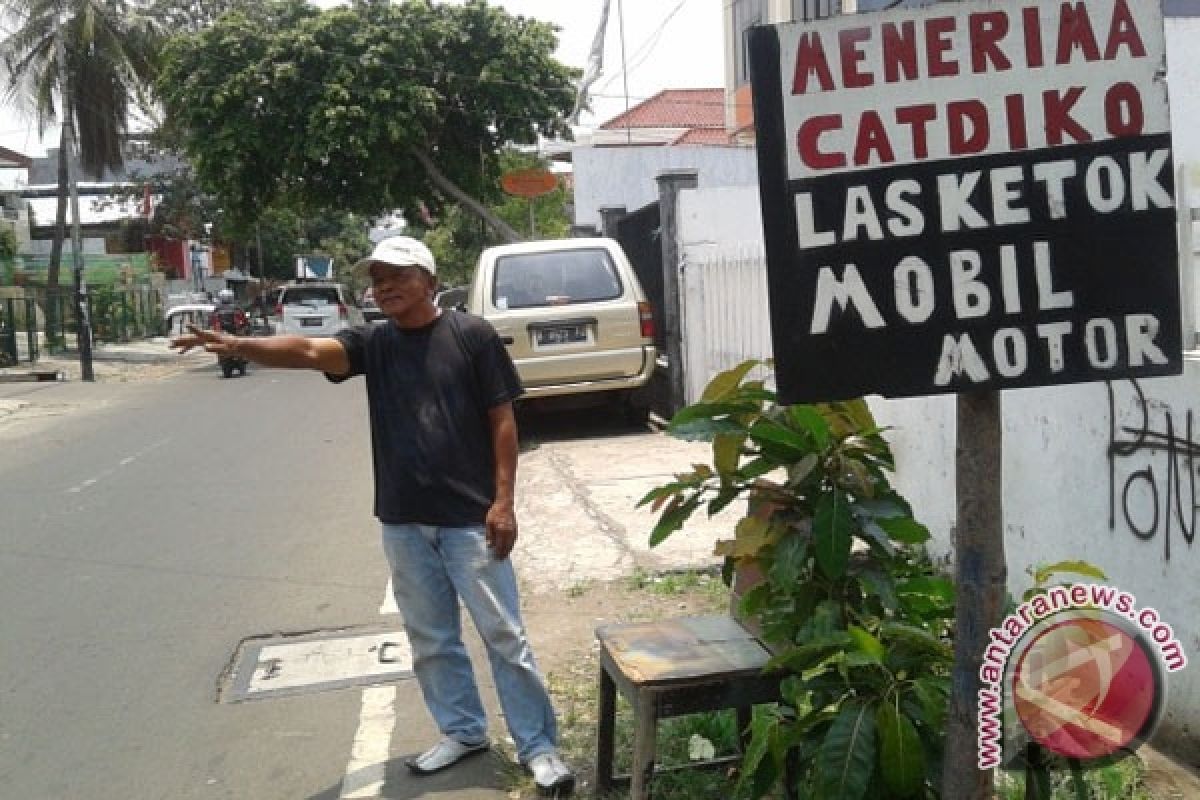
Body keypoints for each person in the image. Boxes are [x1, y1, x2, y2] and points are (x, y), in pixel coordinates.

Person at [170, 236, 575, 796]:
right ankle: (463, 732)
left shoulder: (471, 335)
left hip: (469, 521)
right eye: (377, 278)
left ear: (429, 281)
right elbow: (309, 353)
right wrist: (239, 343)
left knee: (505, 637)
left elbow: (502, 420)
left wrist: (504, 503)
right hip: (403, 521)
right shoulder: (374, 344)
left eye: (397, 276)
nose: (383, 286)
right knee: (431, 639)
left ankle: (539, 747)